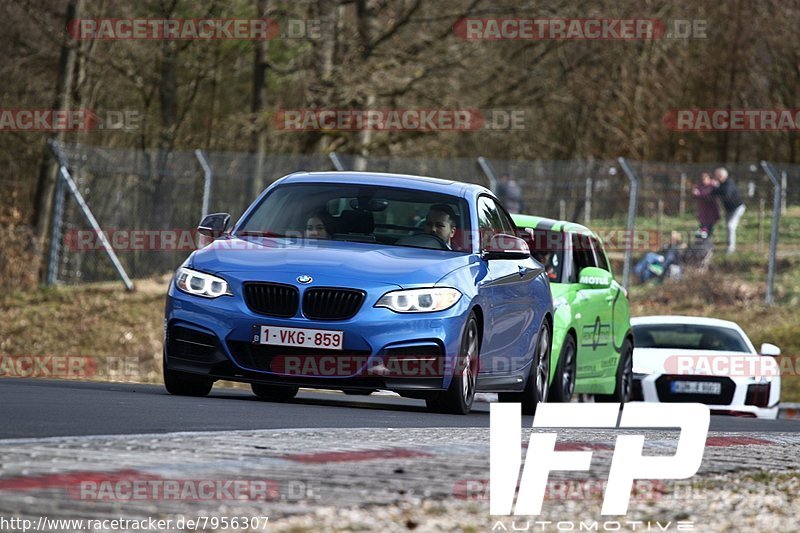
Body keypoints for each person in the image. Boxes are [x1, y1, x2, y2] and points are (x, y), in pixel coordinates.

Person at [711, 167, 745, 254]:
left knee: (730, 226)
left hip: (737, 208)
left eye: (717, 176)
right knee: (728, 228)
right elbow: (713, 193)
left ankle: (731, 248)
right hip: (728, 209)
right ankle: (728, 244)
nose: (715, 177)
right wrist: (716, 188)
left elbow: (726, 193)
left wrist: (716, 187)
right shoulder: (720, 185)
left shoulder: (729, 182)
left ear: (721, 176)